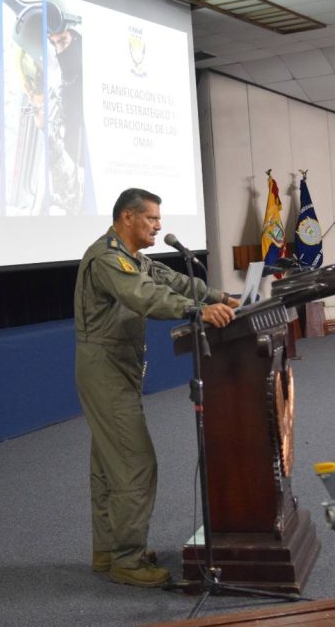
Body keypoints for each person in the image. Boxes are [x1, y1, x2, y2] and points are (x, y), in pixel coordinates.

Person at [73, 188, 237, 587]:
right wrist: (197, 311)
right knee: (134, 463)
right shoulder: (108, 259)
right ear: (127, 217)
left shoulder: (134, 259)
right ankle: (127, 560)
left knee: (108, 465)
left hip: (119, 365)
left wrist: (219, 296)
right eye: (151, 219)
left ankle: (108, 551)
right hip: (105, 367)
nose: (158, 226)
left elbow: (173, 280)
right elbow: (144, 295)